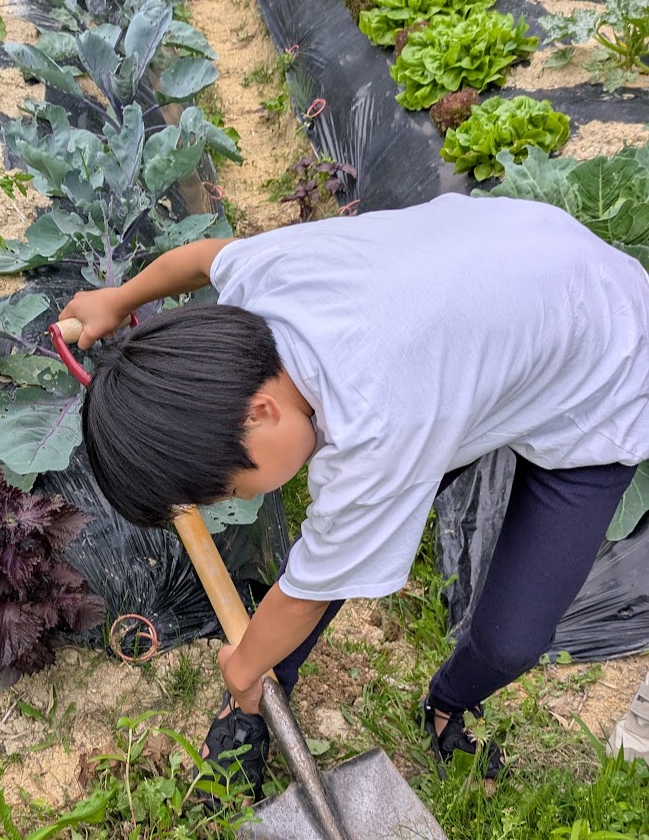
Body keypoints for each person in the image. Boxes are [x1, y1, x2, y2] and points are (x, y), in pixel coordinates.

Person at [58, 192, 649, 795]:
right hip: (504, 277)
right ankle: (261, 697)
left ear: (261, 412)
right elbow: (207, 259)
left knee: (510, 641)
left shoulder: (378, 428)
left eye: (230, 487)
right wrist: (119, 298)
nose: (230, 501)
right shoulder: (263, 292)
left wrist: (240, 665)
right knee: (334, 552)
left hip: (602, 367)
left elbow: (309, 590)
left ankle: (447, 703)